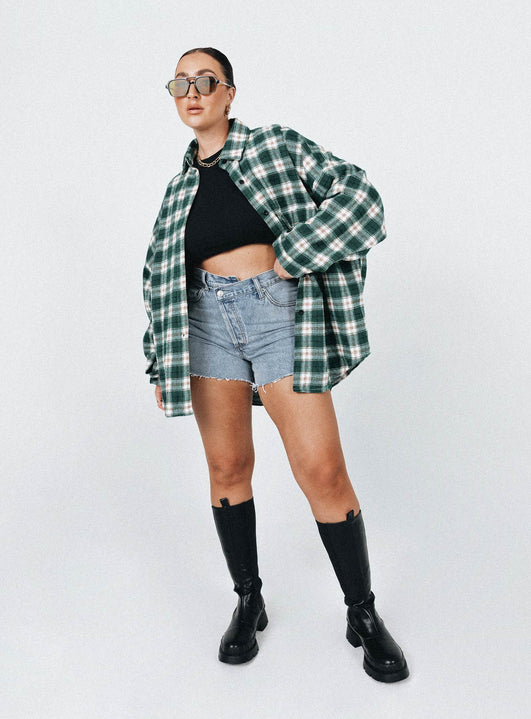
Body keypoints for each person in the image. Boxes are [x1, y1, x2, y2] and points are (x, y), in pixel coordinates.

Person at [142, 46, 409, 682]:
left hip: (276, 314)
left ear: (230, 93)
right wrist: (159, 360)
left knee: (321, 469)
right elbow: (157, 274)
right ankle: (249, 600)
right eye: (180, 83)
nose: (191, 92)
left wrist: (296, 253)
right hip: (204, 326)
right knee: (227, 467)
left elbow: (360, 196)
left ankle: (362, 612)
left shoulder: (274, 147)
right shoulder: (177, 190)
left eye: (205, 80)